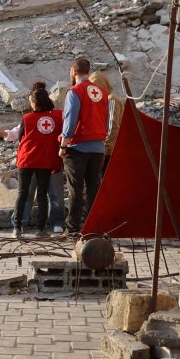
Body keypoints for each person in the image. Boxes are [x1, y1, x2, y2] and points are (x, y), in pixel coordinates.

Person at [0, 82, 64, 238]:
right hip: (47, 161)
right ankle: (42, 229)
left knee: (24, 193)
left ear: (35, 101)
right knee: (44, 195)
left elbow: (15, 135)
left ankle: (18, 227)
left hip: (27, 161)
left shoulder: (27, 119)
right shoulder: (58, 117)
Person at [60, 58, 110, 235]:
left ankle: (73, 229)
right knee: (94, 189)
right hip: (98, 148)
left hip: (78, 148)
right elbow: (105, 121)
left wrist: (63, 145)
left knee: (76, 189)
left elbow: (70, 120)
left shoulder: (75, 91)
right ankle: (93, 228)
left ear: (73, 71)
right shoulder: (103, 93)